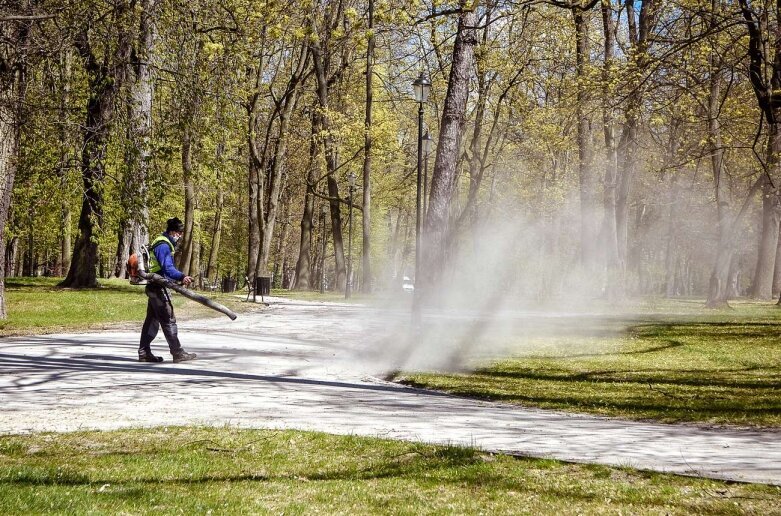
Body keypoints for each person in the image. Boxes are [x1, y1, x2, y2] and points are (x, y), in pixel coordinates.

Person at [138, 217, 197, 363]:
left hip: (154, 286)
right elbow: (167, 268)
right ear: (172, 232)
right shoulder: (163, 245)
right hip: (158, 288)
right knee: (168, 320)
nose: (180, 236)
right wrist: (182, 276)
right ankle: (177, 352)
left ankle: (144, 352)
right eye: (179, 233)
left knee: (151, 321)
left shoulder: (161, 242)